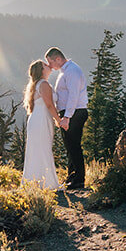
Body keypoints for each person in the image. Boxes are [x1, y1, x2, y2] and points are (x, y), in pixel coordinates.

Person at [44, 46, 88, 190]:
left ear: (58, 58)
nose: (50, 66)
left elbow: (73, 95)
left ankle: (79, 180)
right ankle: (72, 177)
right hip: (69, 113)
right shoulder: (65, 71)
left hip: (74, 113)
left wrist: (67, 117)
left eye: (50, 62)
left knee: (74, 146)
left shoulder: (72, 71)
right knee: (69, 146)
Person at [21, 60, 60, 190]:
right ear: (42, 70)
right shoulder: (43, 84)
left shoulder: (36, 85)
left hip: (36, 119)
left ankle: (36, 182)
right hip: (42, 119)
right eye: (45, 65)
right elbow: (49, 104)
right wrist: (58, 120)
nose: (48, 66)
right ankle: (47, 183)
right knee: (43, 149)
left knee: (38, 150)